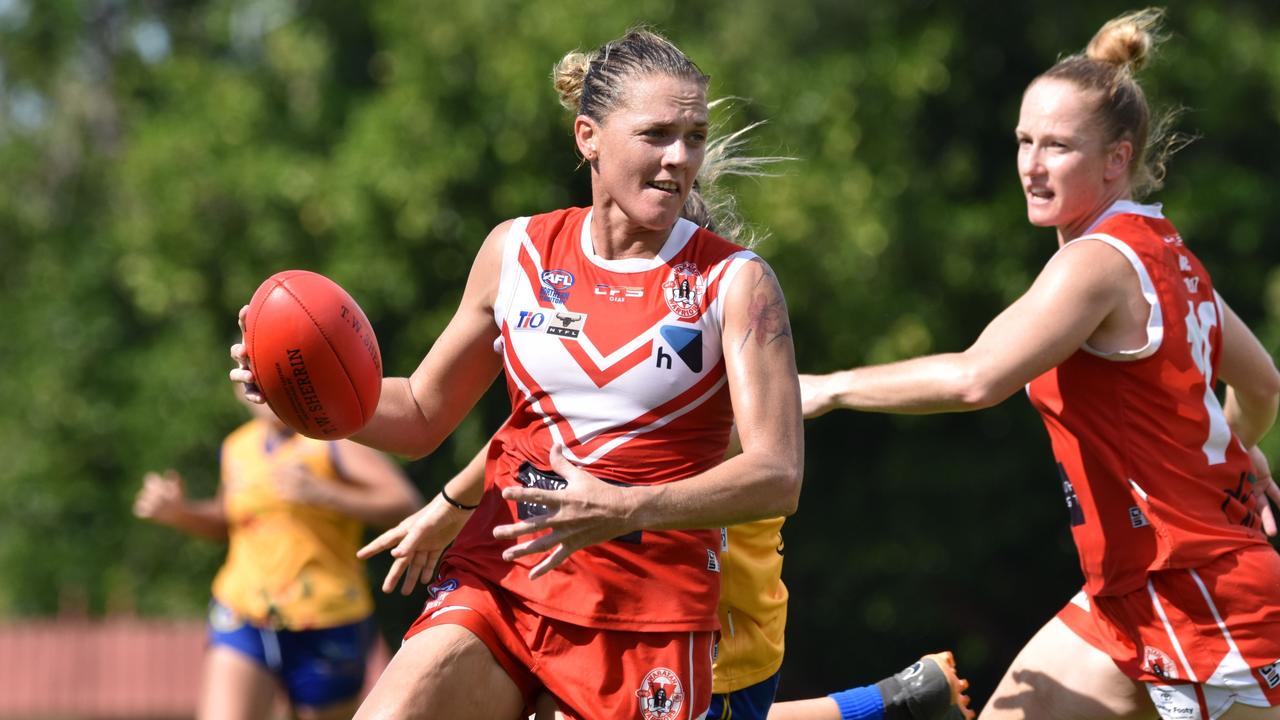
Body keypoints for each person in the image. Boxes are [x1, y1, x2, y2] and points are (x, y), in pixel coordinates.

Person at [232, 28, 805, 720]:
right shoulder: (518, 252)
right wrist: (308, 399)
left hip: (643, 614)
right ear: (588, 137)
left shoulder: (735, 283)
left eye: (694, 136)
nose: (679, 159)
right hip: (503, 576)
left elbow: (777, 472)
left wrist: (626, 508)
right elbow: (418, 410)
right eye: (655, 135)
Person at [800, 9, 1280, 720]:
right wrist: (1240, 455)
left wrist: (831, 388)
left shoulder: (1095, 264)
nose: (1031, 164)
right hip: (1128, 593)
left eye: (1057, 146)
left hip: (1200, 598)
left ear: (1116, 158)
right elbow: (1262, 382)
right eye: (1025, 141)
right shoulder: (1166, 250)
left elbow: (975, 377)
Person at [361, 438, 974, 720]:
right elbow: (530, 427)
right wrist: (452, 503)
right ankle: (897, 701)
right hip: (602, 606)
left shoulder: (722, 364)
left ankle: (889, 704)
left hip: (722, 644)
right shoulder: (607, 332)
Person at [133, 390, 423, 720]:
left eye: (273, 383)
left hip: (327, 616)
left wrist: (325, 493)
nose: (264, 396)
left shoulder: (333, 438)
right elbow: (229, 521)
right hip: (244, 611)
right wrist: (181, 513)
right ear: (240, 392)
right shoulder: (236, 447)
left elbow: (406, 504)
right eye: (254, 385)